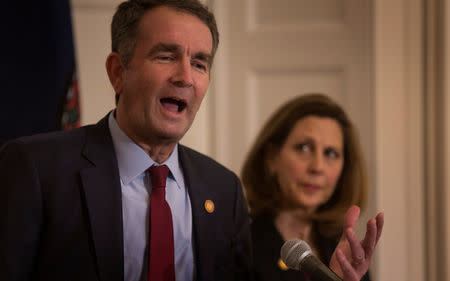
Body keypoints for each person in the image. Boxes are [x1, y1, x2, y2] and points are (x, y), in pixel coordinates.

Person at [0, 0, 381, 280]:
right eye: (166, 56)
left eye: (200, 63)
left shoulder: (222, 188)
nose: (186, 76)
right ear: (118, 72)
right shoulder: (36, 169)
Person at [241, 93, 384, 281]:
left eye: (331, 153)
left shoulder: (347, 254)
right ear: (271, 158)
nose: (317, 167)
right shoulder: (241, 246)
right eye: (304, 148)